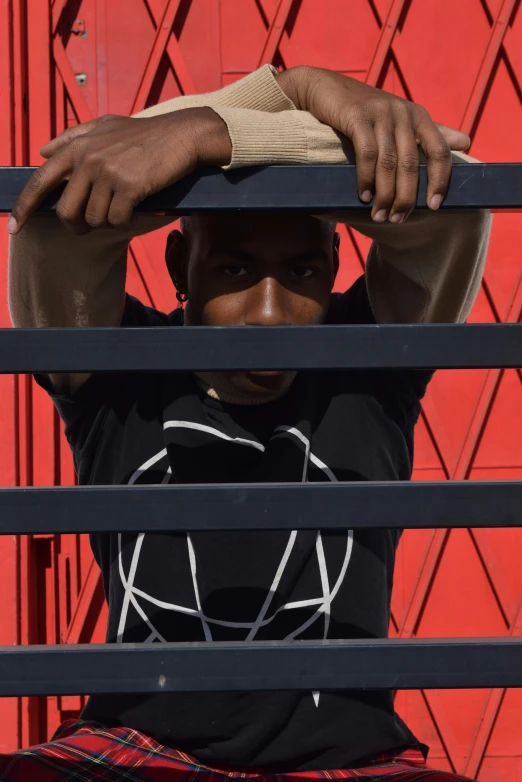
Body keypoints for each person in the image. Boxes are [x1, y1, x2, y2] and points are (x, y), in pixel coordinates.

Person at [4, 65, 491, 780]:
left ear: (334, 262)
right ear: (179, 260)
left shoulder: (370, 364)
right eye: (233, 272)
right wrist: (257, 120)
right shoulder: (114, 375)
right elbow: (71, 198)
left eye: (302, 272)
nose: (270, 316)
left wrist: (242, 118)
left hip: (355, 760)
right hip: (141, 748)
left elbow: (455, 196)